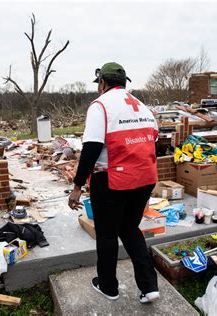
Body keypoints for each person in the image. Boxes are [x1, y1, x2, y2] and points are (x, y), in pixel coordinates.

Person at [68, 62, 160, 304]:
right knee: (129, 229)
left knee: (107, 234)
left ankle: (108, 286)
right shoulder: (141, 106)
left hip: (112, 180)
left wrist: (77, 187)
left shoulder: (101, 106)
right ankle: (149, 286)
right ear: (124, 83)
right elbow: (153, 138)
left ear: (102, 83)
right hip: (145, 178)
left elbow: (91, 148)